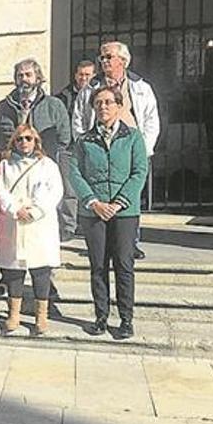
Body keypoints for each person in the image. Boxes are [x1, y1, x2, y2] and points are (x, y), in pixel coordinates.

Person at [70, 87, 148, 340]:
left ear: (118, 106)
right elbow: (75, 173)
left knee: (124, 265)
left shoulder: (133, 137)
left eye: (108, 102)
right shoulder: (84, 140)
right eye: (98, 103)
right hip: (94, 213)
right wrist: (93, 202)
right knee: (98, 266)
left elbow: (139, 172)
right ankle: (101, 316)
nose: (103, 107)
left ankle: (126, 319)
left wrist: (119, 202)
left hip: (124, 213)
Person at [72, 41, 160, 260]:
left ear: (123, 60)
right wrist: (85, 144)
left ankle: (131, 243)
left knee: (129, 196)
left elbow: (151, 120)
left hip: (130, 149)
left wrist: (144, 149)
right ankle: (101, 243)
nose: (103, 61)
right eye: (101, 57)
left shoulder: (141, 87)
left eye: (108, 57)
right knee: (101, 193)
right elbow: (79, 119)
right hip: (98, 147)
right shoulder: (90, 88)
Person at [0, 125, 63, 335]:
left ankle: (41, 315)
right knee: (14, 271)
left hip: (39, 225)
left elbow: (55, 190)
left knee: (40, 270)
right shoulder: (5, 165)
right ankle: (13, 314)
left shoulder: (47, 165)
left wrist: (35, 211)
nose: (24, 142)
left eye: (29, 138)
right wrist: (15, 209)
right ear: (14, 142)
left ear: (36, 142)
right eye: (20, 139)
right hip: (13, 224)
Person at [0, 58, 70, 163]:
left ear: (38, 79)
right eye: (20, 75)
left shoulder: (54, 106)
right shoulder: (3, 107)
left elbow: (64, 138)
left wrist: (47, 157)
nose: (24, 79)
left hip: (43, 165)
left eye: (28, 75)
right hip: (12, 166)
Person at [54, 60, 95, 241]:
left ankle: (89, 223)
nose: (83, 78)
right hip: (69, 148)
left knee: (91, 186)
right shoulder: (63, 97)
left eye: (88, 75)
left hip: (93, 148)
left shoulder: (98, 93)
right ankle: (69, 227)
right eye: (81, 74)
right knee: (69, 189)